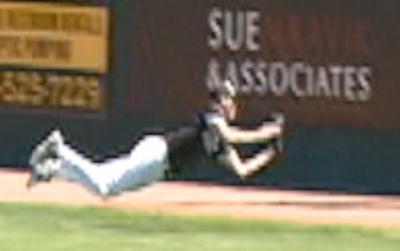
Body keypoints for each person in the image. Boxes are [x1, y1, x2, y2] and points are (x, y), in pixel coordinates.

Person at [26, 79, 285, 198]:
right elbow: (230, 134)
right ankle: (60, 149)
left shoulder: (219, 145)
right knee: (104, 186)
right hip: (157, 155)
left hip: (157, 169)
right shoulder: (212, 118)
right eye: (229, 99)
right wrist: (266, 132)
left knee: (103, 182)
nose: (232, 104)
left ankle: (54, 171)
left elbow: (242, 170)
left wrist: (270, 153)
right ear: (221, 102)